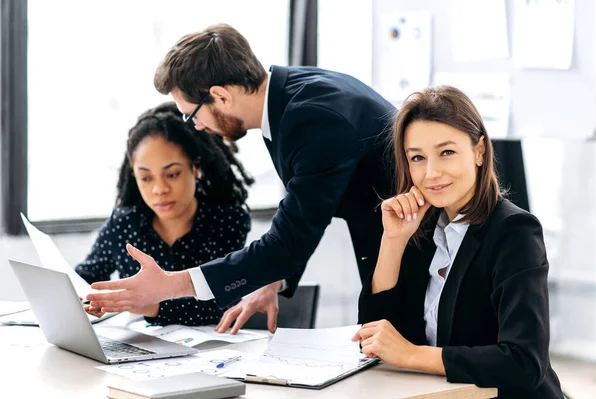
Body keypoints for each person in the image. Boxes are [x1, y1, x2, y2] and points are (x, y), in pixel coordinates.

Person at [86, 23, 397, 333]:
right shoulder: (290, 99)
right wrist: (272, 279)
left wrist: (168, 285)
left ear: (220, 97)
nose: (195, 127)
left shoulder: (310, 119)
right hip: (392, 238)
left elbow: (289, 239)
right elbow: (310, 210)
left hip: (418, 243)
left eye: (192, 115)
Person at [351, 86, 563, 398]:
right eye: (418, 158)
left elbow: (524, 361)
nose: (431, 173)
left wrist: (412, 354)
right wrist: (393, 242)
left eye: (446, 152)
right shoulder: (420, 226)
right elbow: (376, 336)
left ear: (479, 151)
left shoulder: (514, 231)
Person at [76, 102, 253, 326]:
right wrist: (88, 301)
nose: (159, 189)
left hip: (215, 350)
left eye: (172, 174)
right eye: (146, 178)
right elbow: (83, 280)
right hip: (140, 353)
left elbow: (223, 303)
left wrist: (149, 305)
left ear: (195, 167)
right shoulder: (123, 224)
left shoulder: (227, 221)